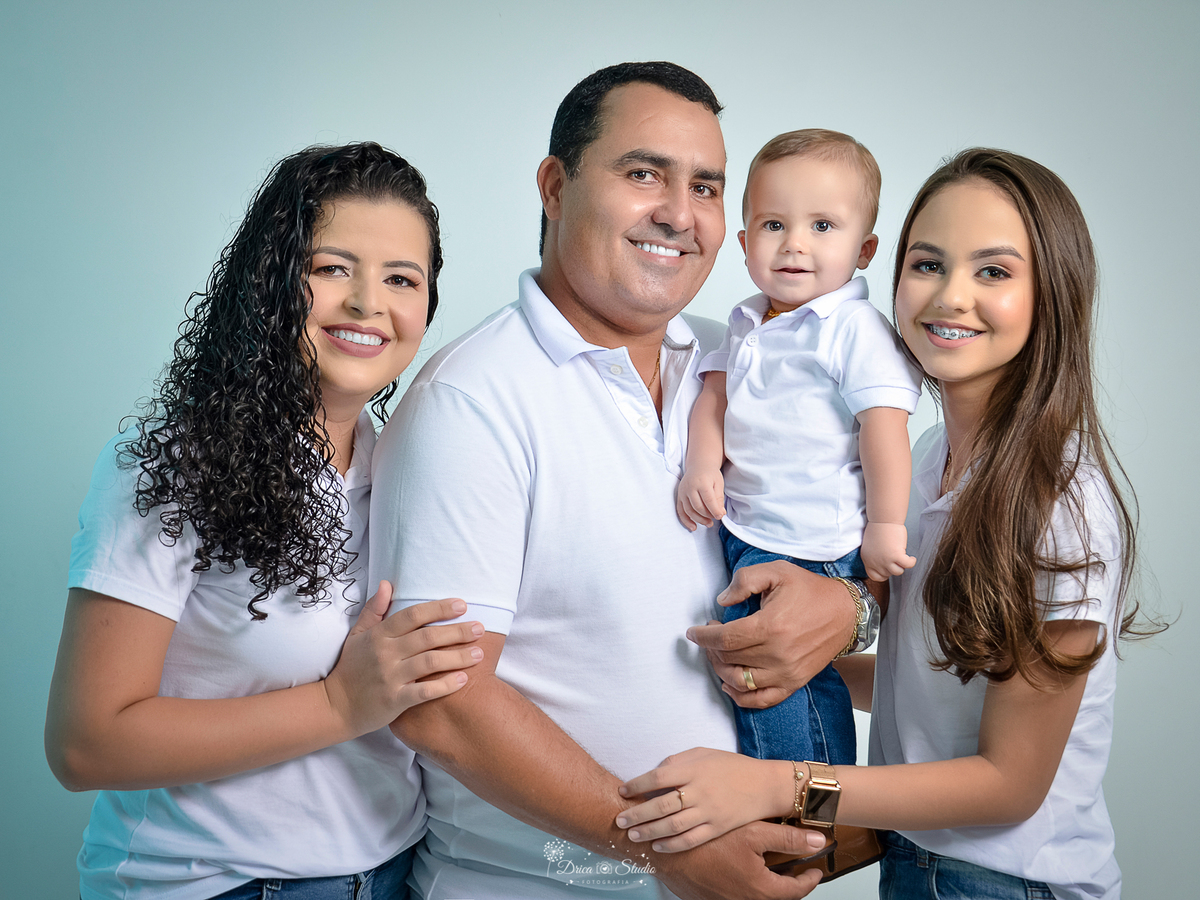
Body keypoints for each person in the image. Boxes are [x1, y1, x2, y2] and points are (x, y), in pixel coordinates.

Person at [615, 148, 1157, 900]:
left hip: (1007, 885)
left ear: (1052, 296)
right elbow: (927, 687)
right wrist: (784, 653)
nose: (951, 296)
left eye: (993, 272)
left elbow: (1007, 787)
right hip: (921, 869)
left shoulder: (1059, 503)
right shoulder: (929, 460)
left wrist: (779, 788)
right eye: (928, 264)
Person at [370, 63, 855, 900]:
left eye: (706, 186)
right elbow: (438, 702)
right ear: (556, 186)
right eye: (643, 174)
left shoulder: (744, 361)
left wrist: (852, 611)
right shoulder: (472, 401)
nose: (679, 212)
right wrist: (661, 849)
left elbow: (848, 565)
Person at [45, 142, 484, 900]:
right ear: (271, 283)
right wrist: (340, 704)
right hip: (218, 886)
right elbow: (86, 745)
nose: (367, 303)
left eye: (401, 279)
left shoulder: (412, 466)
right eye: (331, 268)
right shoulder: (172, 470)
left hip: (397, 874)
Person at [677, 129, 921, 768]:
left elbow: (884, 431)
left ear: (865, 248)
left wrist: (887, 525)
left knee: (779, 684)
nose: (795, 244)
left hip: (812, 537)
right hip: (748, 526)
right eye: (774, 224)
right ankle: (787, 790)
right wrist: (704, 461)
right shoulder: (748, 318)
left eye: (823, 226)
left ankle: (807, 800)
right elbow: (715, 396)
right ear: (744, 240)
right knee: (765, 671)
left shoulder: (851, 329)